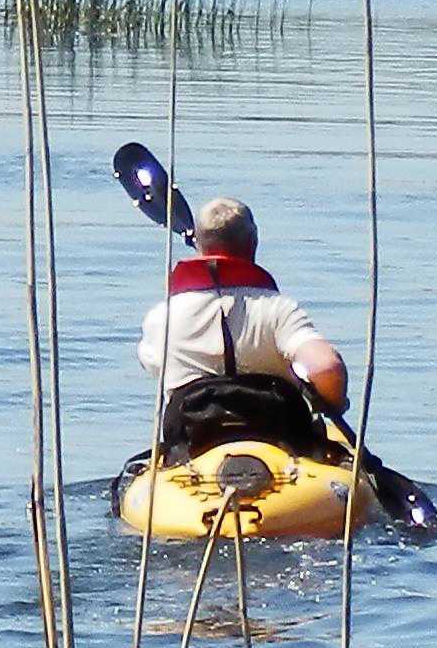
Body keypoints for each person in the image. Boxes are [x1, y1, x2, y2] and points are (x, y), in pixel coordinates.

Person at [135, 193, 347, 460]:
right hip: (279, 439)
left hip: (194, 442)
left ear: (199, 243)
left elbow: (152, 364)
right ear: (253, 241)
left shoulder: (162, 316)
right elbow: (327, 367)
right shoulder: (278, 309)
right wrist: (334, 403)